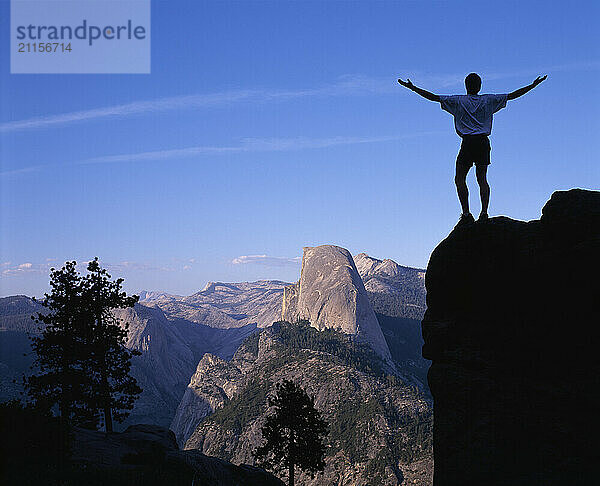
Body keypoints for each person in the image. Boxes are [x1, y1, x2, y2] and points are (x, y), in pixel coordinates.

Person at [397, 72, 547, 225]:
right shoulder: (488, 100)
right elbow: (513, 95)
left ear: (466, 85)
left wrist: (413, 88)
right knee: (482, 179)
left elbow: (434, 97)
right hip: (483, 142)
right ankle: (484, 212)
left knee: (460, 178)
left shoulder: (458, 101)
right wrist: (533, 85)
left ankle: (467, 213)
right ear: (479, 86)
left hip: (468, 143)